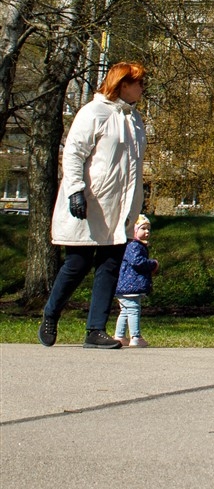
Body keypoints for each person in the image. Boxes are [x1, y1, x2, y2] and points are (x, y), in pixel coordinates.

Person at [39, 61, 149, 349]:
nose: (142, 88)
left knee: (110, 265)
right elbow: (74, 153)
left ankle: (95, 330)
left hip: (119, 207)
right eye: (139, 83)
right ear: (122, 84)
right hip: (90, 203)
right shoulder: (94, 112)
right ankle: (51, 314)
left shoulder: (134, 119)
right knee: (77, 263)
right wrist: (75, 190)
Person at [113, 214, 158, 347]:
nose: (147, 232)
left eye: (149, 229)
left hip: (124, 286)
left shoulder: (132, 245)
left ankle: (120, 335)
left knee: (125, 311)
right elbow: (137, 262)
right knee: (133, 310)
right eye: (143, 228)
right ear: (134, 230)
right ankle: (136, 337)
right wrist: (153, 264)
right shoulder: (134, 245)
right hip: (131, 285)